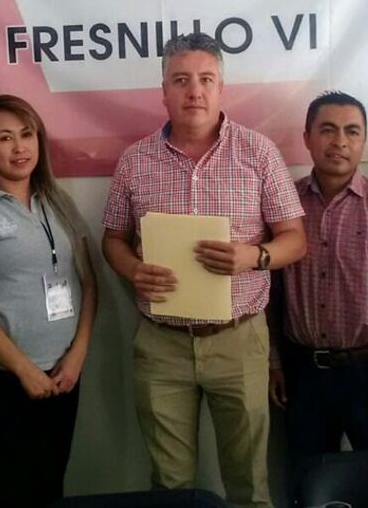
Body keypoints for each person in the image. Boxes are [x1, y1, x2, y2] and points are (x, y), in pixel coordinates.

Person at [102, 33, 306, 508]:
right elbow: (112, 238)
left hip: (238, 340)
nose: (194, 91)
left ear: (221, 88)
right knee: (171, 489)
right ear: (164, 91)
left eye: (206, 79)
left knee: (249, 487)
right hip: (161, 345)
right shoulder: (135, 160)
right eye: (181, 80)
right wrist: (134, 270)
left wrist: (254, 256)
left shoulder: (258, 153)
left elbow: (295, 239)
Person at [0, 95, 98, 508]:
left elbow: (89, 282)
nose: (19, 147)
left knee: (50, 487)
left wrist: (78, 354)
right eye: (5, 138)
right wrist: (23, 368)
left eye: (27, 135)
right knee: (10, 491)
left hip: (62, 373)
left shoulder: (58, 204)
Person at [271, 91, 368, 467]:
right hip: (302, 375)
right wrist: (274, 362)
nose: (339, 141)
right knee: (307, 483)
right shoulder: (284, 207)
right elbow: (270, 295)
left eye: (351, 131)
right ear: (307, 138)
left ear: (363, 141)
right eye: (327, 130)